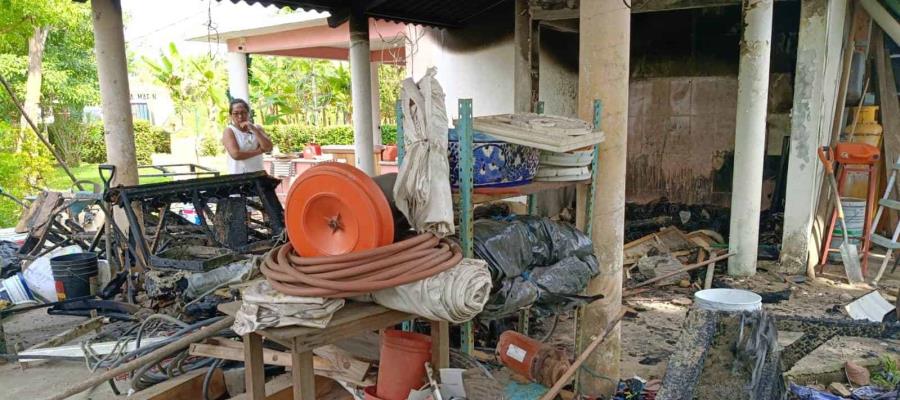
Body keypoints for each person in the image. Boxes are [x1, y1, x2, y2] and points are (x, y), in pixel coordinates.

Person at [222, 98, 273, 174]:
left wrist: (254, 129)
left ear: (248, 113)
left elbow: (268, 148)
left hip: (258, 174)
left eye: (243, 112)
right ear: (230, 116)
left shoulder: (257, 128)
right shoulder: (229, 131)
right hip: (239, 177)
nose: (240, 116)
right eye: (236, 113)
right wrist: (259, 151)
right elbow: (236, 155)